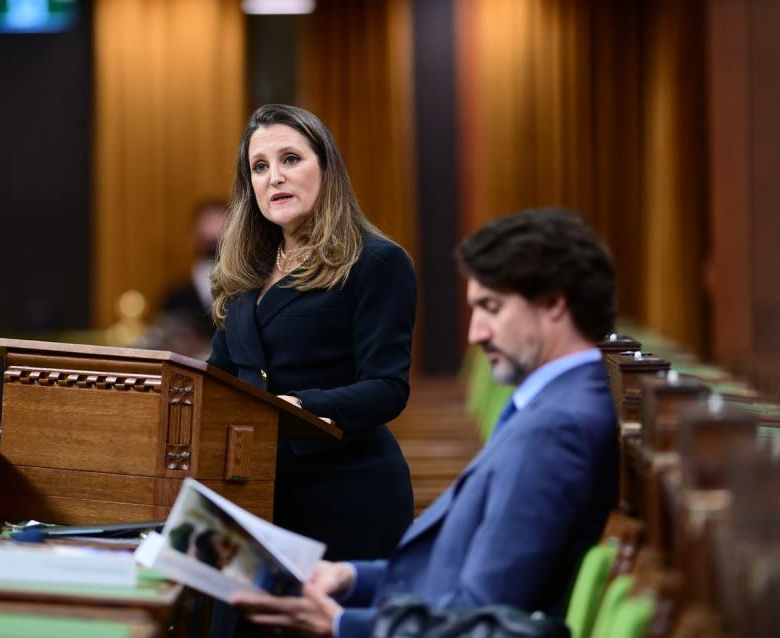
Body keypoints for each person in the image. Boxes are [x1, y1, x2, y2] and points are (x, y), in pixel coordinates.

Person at [231, 208, 620, 637]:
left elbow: (481, 617)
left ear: (552, 304)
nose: (476, 333)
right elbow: (461, 576)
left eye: (491, 307)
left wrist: (341, 624)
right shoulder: (555, 405)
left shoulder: (558, 427)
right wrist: (350, 577)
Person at [207, 104, 416, 561]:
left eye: (290, 159)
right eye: (259, 167)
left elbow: (387, 387)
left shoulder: (376, 262)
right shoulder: (243, 272)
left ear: (326, 169)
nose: (274, 176)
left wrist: (301, 407)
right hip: (253, 493)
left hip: (346, 498)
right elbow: (218, 381)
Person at [161, 199, 229, 348]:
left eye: (220, 225)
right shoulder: (175, 296)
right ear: (193, 237)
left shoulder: (250, 290)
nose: (214, 232)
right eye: (207, 223)